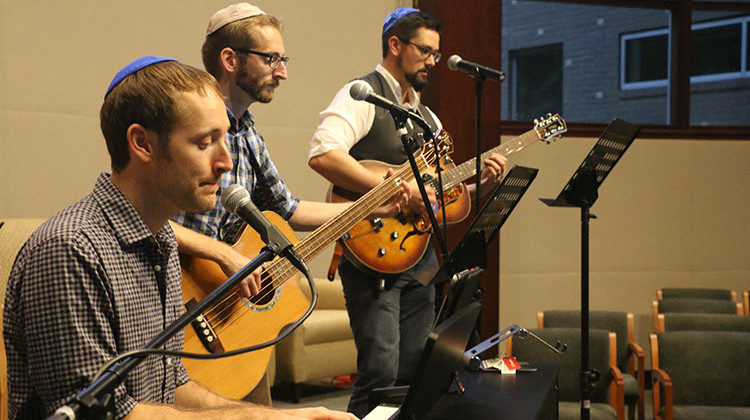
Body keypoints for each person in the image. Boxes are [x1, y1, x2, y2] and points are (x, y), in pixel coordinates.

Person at [2, 57, 356, 420]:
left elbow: (172, 385)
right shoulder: (70, 250)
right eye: (205, 143)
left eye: (225, 140)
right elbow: (102, 413)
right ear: (143, 144)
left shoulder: (163, 244)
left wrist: (280, 417)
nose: (225, 162)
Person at [169, 3, 406, 405]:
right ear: (230, 59)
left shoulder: (248, 134)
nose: (282, 71)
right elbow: (144, 218)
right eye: (272, 59)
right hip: (177, 301)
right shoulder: (187, 122)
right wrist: (226, 257)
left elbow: (290, 210)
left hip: (231, 313)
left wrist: (371, 206)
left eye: (283, 59)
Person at [308, 8, 507, 418]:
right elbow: (323, 155)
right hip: (372, 250)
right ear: (395, 46)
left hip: (419, 257)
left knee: (415, 369)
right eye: (425, 51)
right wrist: (396, 187)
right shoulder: (360, 94)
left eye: (436, 53)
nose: (433, 61)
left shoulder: (424, 116)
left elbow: (435, 196)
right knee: (379, 371)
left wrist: (479, 184)